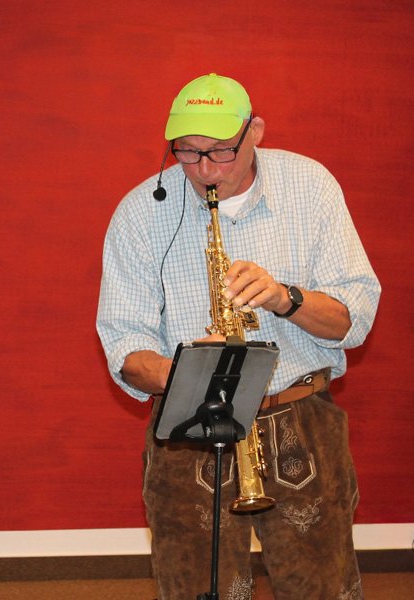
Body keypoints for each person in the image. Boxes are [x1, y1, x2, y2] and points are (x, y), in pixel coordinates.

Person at [96, 73, 380, 600]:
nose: (204, 169)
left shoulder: (310, 186)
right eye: (186, 151)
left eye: (221, 151)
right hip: (190, 426)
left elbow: (352, 321)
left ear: (256, 132)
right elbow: (124, 348)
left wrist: (285, 298)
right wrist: (188, 372)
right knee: (195, 589)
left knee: (323, 588)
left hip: (300, 418)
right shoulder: (140, 212)